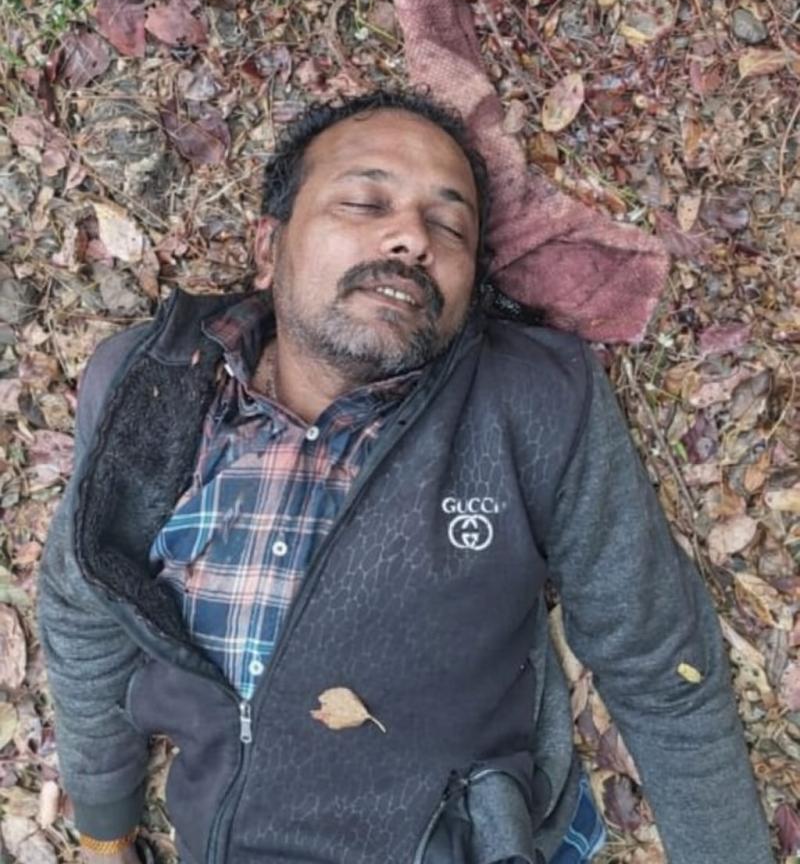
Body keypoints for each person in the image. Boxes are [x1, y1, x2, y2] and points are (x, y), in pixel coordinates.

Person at [39, 89, 773, 864]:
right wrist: (105, 830)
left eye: (450, 226)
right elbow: (84, 608)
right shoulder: (152, 382)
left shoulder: (532, 400)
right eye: (364, 202)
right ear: (268, 245)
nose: (412, 238)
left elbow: (661, 665)